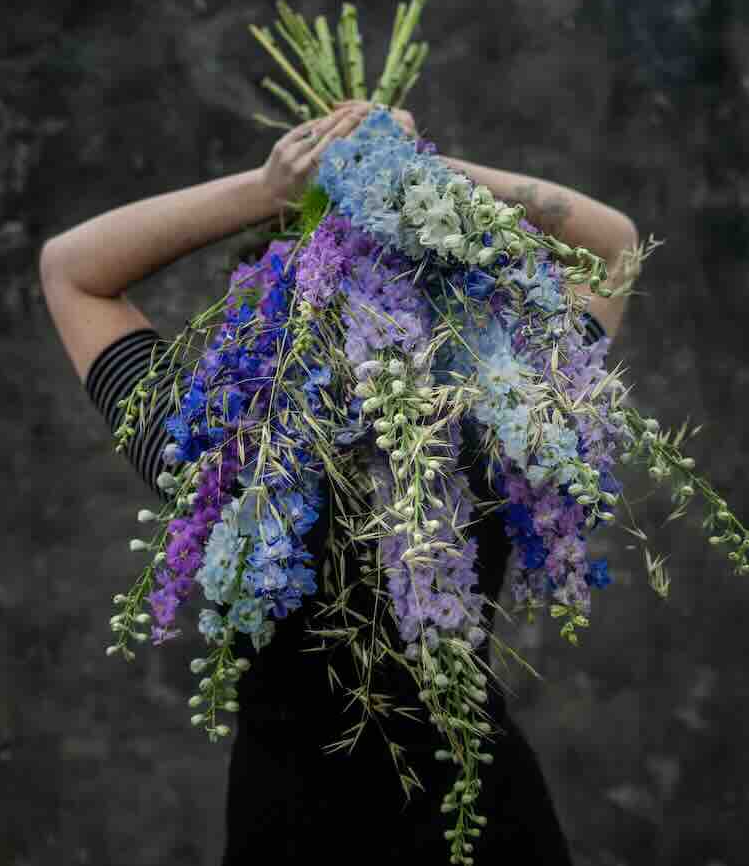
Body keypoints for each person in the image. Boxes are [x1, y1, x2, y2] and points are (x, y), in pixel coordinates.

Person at [40, 100, 637, 864]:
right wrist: (431, 173)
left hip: (292, 827)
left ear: (264, 311)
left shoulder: (213, 451)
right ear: (444, 298)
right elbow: (616, 245)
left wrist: (270, 189)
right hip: (478, 819)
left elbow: (73, 269)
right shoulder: (499, 415)